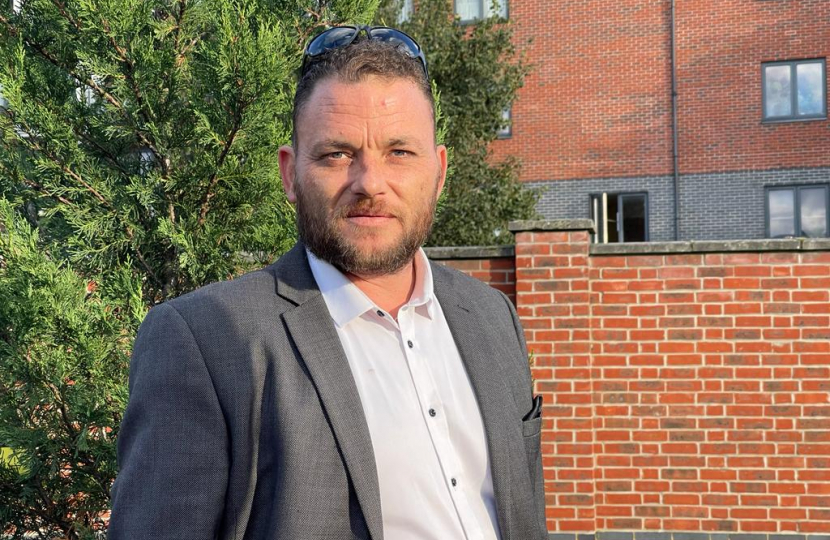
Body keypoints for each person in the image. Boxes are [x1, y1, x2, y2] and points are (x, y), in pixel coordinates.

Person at [108, 25, 546, 540]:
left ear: (439, 171)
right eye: (336, 154)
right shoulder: (204, 341)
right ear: (291, 174)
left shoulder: (493, 317)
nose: (370, 183)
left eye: (399, 152)